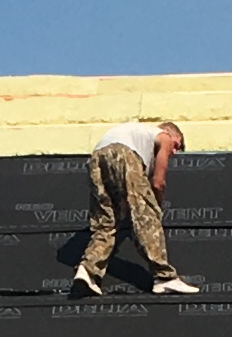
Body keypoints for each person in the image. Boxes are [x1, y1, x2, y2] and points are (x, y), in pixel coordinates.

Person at [74, 118, 198, 297]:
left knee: (106, 223)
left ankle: (87, 271)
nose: (174, 151)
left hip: (96, 159)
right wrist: (155, 208)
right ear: (169, 133)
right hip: (124, 154)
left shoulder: (137, 136)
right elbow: (158, 183)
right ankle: (164, 277)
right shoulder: (163, 137)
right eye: (177, 145)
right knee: (146, 217)